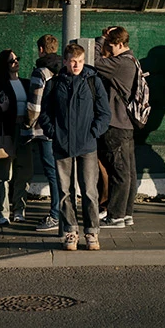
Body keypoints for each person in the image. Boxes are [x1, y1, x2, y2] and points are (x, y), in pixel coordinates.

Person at [38, 43, 111, 251]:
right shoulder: (54, 84)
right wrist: (54, 132)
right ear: (65, 61)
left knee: (89, 191)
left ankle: (91, 232)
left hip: (87, 145)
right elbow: (45, 113)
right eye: (72, 61)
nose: (76, 65)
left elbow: (104, 113)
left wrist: (93, 132)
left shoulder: (93, 81)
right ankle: (71, 231)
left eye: (80, 61)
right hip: (62, 145)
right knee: (64, 191)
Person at [95, 26, 138, 229]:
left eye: (111, 46)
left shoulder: (120, 63)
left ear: (120, 44)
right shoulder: (132, 60)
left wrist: (99, 39)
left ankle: (116, 215)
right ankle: (126, 213)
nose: (109, 50)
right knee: (128, 172)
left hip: (116, 124)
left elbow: (94, 61)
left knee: (118, 172)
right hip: (126, 124)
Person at [25, 34, 64, 232]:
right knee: (60, 172)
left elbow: (35, 105)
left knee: (52, 172)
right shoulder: (64, 68)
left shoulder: (41, 72)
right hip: (62, 128)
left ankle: (56, 215)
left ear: (41, 49)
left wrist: (28, 124)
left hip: (44, 129)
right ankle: (62, 212)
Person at [0, 49, 28, 226]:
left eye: (17, 59)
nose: (16, 62)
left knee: (23, 172)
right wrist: (2, 109)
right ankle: (3, 212)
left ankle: (19, 209)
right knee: (4, 174)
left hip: (25, 130)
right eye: (11, 61)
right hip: (7, 132)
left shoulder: (26, 83)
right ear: (4, 65)